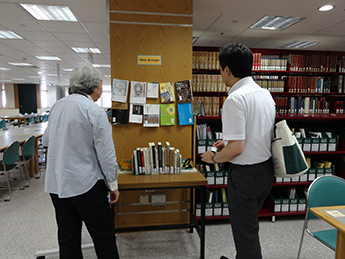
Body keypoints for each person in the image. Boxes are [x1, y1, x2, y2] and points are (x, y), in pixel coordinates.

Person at [201, 43, 276, 259]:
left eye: (220, 69)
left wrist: (213, 157)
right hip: (265, 173)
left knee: (246, 236)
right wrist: (229, 144)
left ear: (227, 70)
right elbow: (258, 134)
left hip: (244, 177)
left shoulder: (235, 99)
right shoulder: (265, 94)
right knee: (249, 226)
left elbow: (238, 148)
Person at [43, 65, 120, 259]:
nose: (101, 87)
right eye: (101, 83)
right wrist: (113, 184)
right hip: (87, 185)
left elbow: (46, 141)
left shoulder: (57, 106)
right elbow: (106, 154)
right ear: (94, 86)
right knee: (103, 235)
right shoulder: (94, 111)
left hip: (58, 183)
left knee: (68, 236)